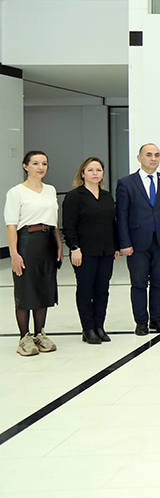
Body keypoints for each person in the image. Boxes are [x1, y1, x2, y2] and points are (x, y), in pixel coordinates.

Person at [116, 143, 160, 336]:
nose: (153, 159)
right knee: (139, 283)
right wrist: (124, 243)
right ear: (139, 158)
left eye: (157, 155)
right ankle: (141, 321)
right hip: (136, 243)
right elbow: (122, 216)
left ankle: (156, 319)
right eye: (149, 155)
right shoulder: (126, 183)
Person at [5, 151, 61, 356]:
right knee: (26, 288)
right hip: (27, 242)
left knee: (44, 288)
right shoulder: (16, 192)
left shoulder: (50, 190)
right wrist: (14, 253)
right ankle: (24, 337)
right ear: (25, 166)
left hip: (48, 242)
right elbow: (11, 225)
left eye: (44, 163)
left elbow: (54, 221)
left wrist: (59, 245)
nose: (40, 167)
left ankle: (39, 333)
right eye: (35, 163)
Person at [63, 157, 118, 344]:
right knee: (86, 291)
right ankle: (88, 329)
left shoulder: (107, 196)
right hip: (84, 252)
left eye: (98, 170)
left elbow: (112, 223)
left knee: (102, 290)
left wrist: (115, 247)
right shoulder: (75, 196)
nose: (95, 173)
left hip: (106, 251)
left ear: (103, 174)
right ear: (82, 173)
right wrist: (74, 247)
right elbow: (69, 225)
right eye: (90, 170)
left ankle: (99, 326)